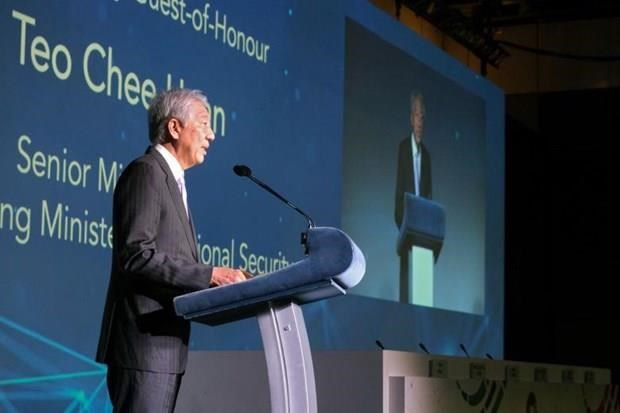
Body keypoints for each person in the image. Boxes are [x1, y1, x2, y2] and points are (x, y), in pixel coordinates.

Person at [96, 88, 247, 412]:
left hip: (164, 347)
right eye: (204, 124)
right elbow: (136, 255)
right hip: (143, 346)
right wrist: (209, 275)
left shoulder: (172, 181)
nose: (212, 134)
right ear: (175, 127)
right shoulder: (146, 171)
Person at [394, 91, 433, 228]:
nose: (420, 121)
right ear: (411, 119)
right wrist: (402, 225)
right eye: (417, 115)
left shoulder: (427, 156)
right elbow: (399, 192)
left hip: (423, 227)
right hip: (407, 225)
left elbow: (429, 197)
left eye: (422, 117)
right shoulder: (403, 148)